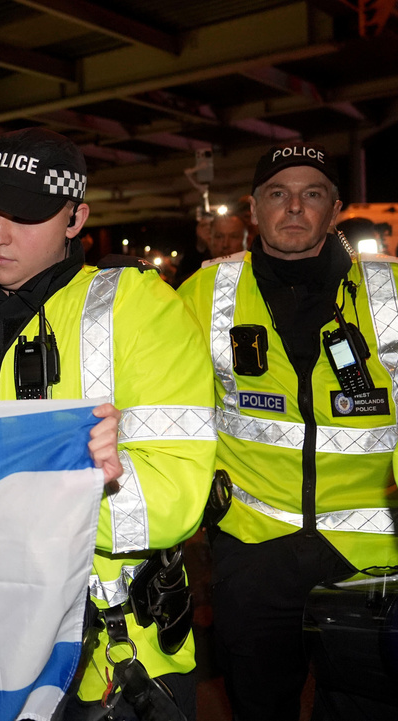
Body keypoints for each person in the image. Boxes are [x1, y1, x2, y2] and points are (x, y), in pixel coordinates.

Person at [0, 128, 218, 719]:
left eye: (23, 216)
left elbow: (174, 500)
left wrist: (9, 495)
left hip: (111, 650)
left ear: (76, 218)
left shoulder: (139, 308)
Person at [178, 142, 398, 720]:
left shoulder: (391, 293)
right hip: (254, 554)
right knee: (258, 707)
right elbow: (168, 408)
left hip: (371, 557)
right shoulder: (205, 294)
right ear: (254, 208)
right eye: (278, 193)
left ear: (336, 209)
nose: (294, 207)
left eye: (312, 194)